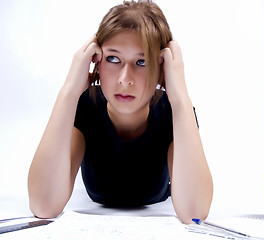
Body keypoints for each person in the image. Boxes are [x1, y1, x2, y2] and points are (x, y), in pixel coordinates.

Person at [28, 0, 213, 224]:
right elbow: (43, 206)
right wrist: (68, 92)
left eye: (142, 62)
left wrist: (181, 97)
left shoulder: (173, 112)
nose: (125, 80)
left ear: (162, 68)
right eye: (113, 59)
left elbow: (194, 215)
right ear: (96, 62)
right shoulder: (84, 105)